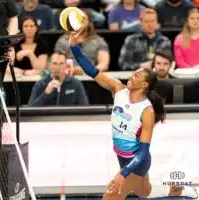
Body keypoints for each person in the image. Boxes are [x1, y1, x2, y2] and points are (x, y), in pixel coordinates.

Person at [69, 28, 199, 199]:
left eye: (137, 76)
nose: (132, 76)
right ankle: (184, 191)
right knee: (144, 191)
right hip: (121, 156)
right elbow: (92, 71)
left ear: (145, 85)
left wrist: (123, 173)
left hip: (137, 162)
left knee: (111, 196)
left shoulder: (147, 111)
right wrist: (74, 48)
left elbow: (143, 152)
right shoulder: (117, 89)